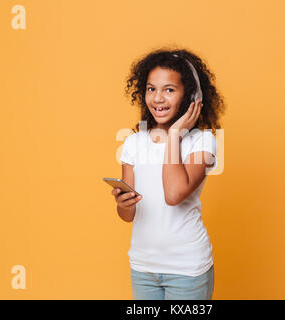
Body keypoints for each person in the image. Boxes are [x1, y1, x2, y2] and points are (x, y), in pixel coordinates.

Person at [112, 48, 225, 300]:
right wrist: (123, 203)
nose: (157, 98)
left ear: (191, 97)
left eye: (169, 90)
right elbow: (127, 216)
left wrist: (174, 135)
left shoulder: (203, 142)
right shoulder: (133, 143)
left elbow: (174, 194)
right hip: (143, 268)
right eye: (151, 89)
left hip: (187, 270)